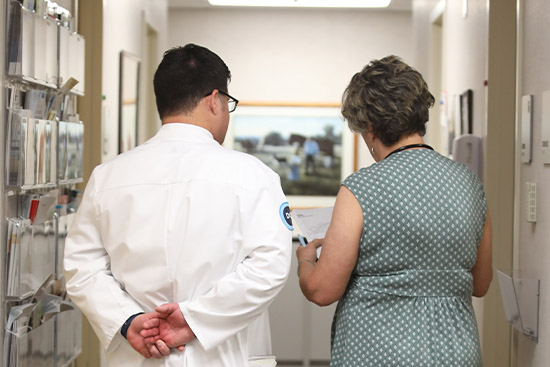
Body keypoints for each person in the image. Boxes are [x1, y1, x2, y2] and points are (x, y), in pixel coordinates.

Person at [64, 44, 293, 366]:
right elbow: (270, 267)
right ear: (215, 100)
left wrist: (129, 321)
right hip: (222, 356)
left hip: (139, 354)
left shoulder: (107, 176)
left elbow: (82, 267)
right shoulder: (253, 175)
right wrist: (194, 320)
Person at [296, 55, 492, 367]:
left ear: (370, 128)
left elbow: (321, 290)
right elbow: (480, 283)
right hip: (457, 352)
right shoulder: (470, 184)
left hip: (379, 352)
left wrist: (306, 261)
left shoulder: (362, 188)